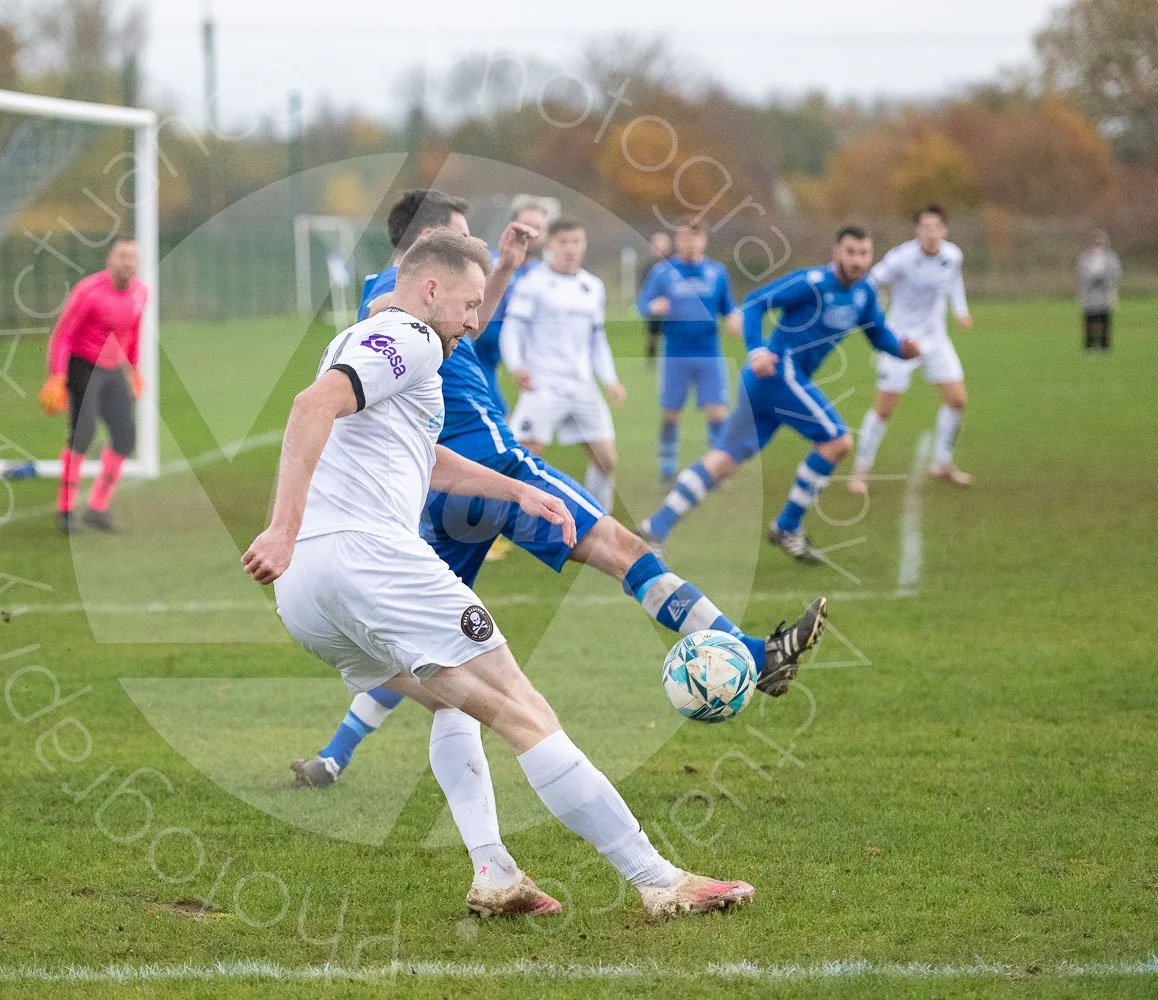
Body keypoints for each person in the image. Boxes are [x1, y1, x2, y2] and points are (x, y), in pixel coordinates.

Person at [248, 229, 757, 921]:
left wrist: (517, 492)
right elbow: (311, 407)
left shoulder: (373, 343)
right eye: (471, 302)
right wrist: (280, 525)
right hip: (365, 558)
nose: (477, 321)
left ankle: (494, 872)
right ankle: (659, 879)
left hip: (306, 595)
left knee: (453, 702)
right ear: (431, 290)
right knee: (523, 710)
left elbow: (418, 459)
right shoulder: (413, 336)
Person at [291, 192, 826, 790]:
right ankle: (752, 654)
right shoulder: (392, 292)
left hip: (437, 483)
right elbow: (392, 307)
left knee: (421, 640)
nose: (478, 251)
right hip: (492, 461)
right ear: (429, 248)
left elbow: (466, 323)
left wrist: (506, 268)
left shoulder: (426, 314)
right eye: (466, 240)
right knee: (623, 549)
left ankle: (334, 754)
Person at [641, 227, 922, 564]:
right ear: (836, 252)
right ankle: (787, 525)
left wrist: (901, 349)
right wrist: (757, 350)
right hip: (777, 372)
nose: (857, 261)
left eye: (864, 253)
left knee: (724, 460)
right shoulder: (813, 282)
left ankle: (654, 528)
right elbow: (756, 302)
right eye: (850, 252)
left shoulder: (864, 293)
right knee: (838, 441)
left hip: (770, 383)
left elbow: (877, 334)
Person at [501, 220, 625, 512]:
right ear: (549, 246)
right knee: (524, 454)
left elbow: (597, 340)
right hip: (544, 384)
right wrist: (517, 365)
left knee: (606, 459)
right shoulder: (532, 283)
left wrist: (610, 380)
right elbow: (512, 329)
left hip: (582, 385)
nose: (570, 248)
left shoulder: (592, 286)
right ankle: (502, 517)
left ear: (584, 245)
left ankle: (598, 518)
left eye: (576, 241)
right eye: (563, 242)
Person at [849, 206, 974, 493]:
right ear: (917, 230)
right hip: (899, 341)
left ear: (945, 230)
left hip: (936, 339)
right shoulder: (902, 258)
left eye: (936, 227)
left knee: (957, 399)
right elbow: (871, 281)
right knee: (884, 408)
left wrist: (961, 310)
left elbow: (954, 282)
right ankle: (860, 472)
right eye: (925, 227)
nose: (930, 233)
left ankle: (943, 463)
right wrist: (871, 315)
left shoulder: (953, 256)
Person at [38, 238, 148, 533]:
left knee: (125, 437)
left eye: (132, 257)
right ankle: (66, 510)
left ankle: (97, 507)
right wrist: (57, 376)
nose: (127, 262)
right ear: (109, 259)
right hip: (83, 365)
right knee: (83, 432)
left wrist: (133, 369)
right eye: (121, 255)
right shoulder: (89, 292)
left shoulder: (141, 292)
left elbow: (132, 332)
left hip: (113, 371)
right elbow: (63, 335)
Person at [472, 196, 551, 565]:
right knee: (496, 442)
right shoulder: (495, 262)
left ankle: (486, 525)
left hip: (496, 362)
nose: (533, 232)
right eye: (527, 223)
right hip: (474, 356)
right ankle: (482, 528)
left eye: (540, 225)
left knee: (504, 441)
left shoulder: (538, 272)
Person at [635, 221, 742, 482]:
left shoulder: (717, 272)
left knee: (717, 411)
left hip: (709, 353)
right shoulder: (663, 272)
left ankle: (716, 468)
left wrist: (733, 318)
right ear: (677, 241)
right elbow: (643, 303)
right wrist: (653, 306)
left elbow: (728, 306)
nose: (689, 243)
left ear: (703, 241)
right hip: (675, 354)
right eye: (683, 238)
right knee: (671, 412)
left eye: (694, 238)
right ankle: (667, 467)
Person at [1078, 230, 1121, 352]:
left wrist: (1104, 280)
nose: (1098, 247)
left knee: (1104, 320)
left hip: (1104, 293)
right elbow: (1081, 276)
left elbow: (1116, 274)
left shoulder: (1111, 258)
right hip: (1089, 295)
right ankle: (1089, 345)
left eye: (1100, 244)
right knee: (1089, 321)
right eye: (1095, 244)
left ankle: (1104, 345)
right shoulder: (1085, 258)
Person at [641, 231, 673, 366]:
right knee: (653, 332)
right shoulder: (649, 266)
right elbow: (645, 287)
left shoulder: (673, 264)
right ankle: (651, 357)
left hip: (671, 305)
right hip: (655, 305)